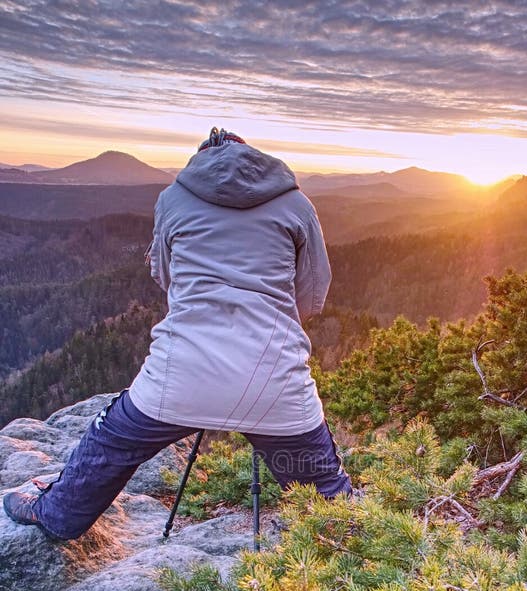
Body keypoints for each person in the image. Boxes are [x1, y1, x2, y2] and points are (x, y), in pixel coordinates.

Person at [3, 127, 353, 541]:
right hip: (274, 383)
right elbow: (312, 294)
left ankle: (56, 511)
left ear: (200, 160)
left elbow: (165, 276)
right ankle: (362, 568)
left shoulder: (172, 199)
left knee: (111, 442)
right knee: (336, 513)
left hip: (180, 375)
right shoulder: (297, 204)